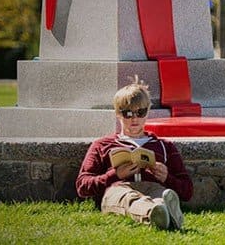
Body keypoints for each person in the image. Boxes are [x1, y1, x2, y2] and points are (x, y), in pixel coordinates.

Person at [75, 76, 193, 230]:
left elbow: (187, 191)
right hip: (118, 189)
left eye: (141, 112)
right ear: (118, 114)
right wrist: (115, 174)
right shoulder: (102, 145)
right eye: (128, 114)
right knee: (128, 198)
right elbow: (82, 186)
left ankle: (162, 210)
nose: (135, 118)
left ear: (148, 112)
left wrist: (166, 178)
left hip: (153, 188)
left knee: (161, 194)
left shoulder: (164, 146)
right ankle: (157, 213)